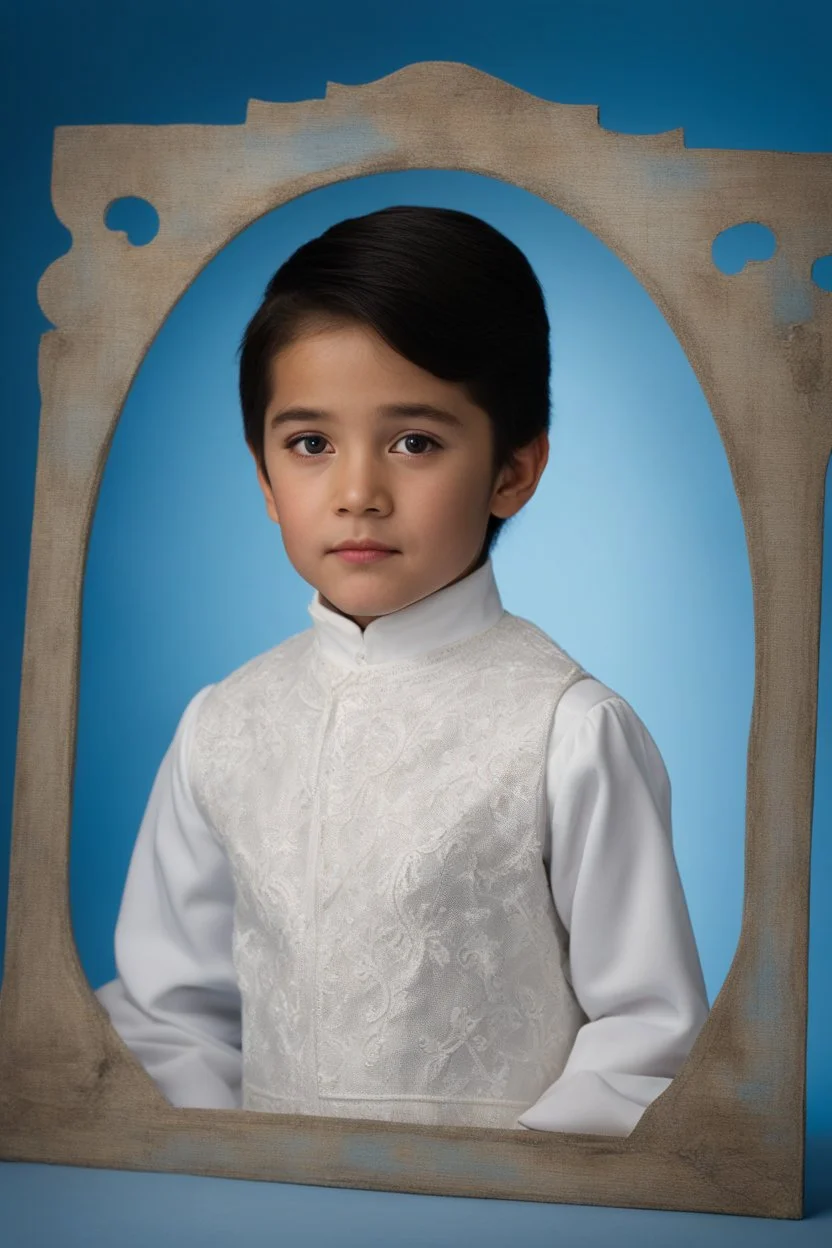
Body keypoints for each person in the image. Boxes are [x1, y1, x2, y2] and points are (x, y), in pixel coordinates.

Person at [95, 204, 709, 1136]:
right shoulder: (224, 725)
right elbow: (170, 1014)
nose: (357, 493)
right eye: (310, 444)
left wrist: (514, 1195)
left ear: (513, 470)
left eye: (414, 441)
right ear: (264, 478)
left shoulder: (568, 729)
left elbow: (646, 1036)